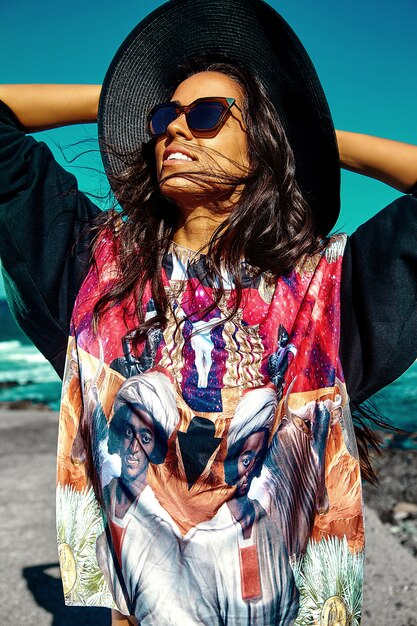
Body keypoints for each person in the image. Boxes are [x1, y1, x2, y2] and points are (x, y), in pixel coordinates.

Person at [0, 0, 416, 624]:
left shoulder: (326, 296)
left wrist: (311, 138)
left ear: (263, 144)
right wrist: (123, 99)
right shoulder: (97, 274)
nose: (174, 130)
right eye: (166, 116)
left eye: (206, 116)